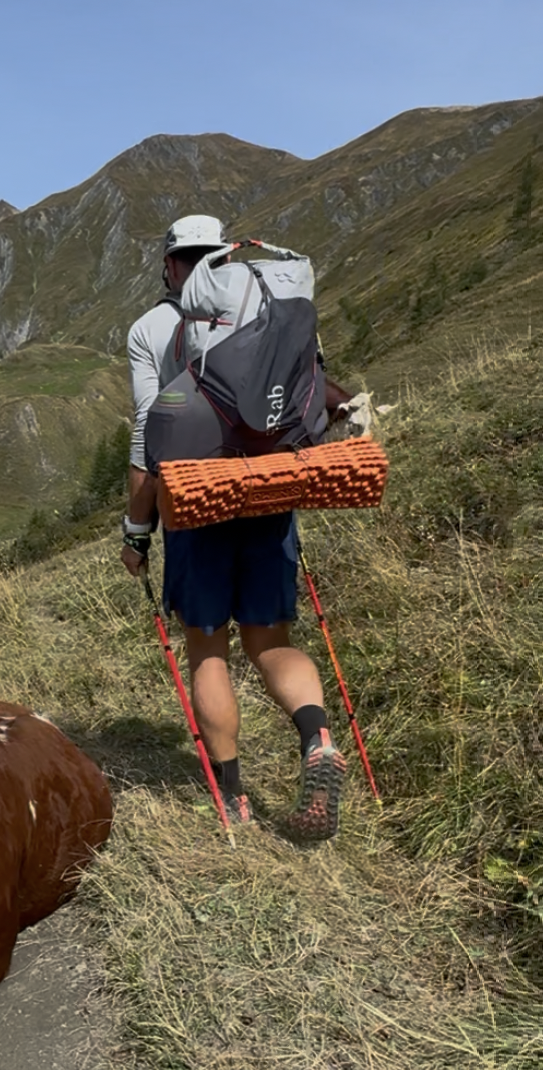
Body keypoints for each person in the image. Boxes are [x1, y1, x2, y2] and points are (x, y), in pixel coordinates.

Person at [121, 214, 353, 839]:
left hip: (198, 500)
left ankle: (233, 801)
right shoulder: (267, 297)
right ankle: (318, 740)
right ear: (223, 255)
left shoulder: (155, 327)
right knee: (269, 639)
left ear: (171, 266)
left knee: (207, 648)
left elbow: (151, 429)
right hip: (272, 489)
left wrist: (136, 530)